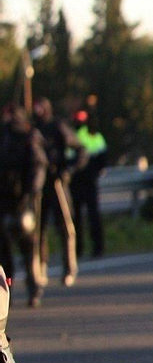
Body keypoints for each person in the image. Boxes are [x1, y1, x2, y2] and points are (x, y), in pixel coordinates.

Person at [32, 98, 84, 287]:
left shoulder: (58, 127)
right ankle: (40, 267)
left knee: (65, 226)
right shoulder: (32, 129)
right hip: (38, 183)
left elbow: (80, 149)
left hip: (56, 182)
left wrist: (68, 171)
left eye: (40, 108)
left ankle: (69, 268)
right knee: (38, 228)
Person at [0, 107, 47, 307]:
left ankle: (33, 287)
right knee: (4, 254)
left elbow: (38, 166)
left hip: (23, 201)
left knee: (28, 247)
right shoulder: (4, 138)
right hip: (4, 201)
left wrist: (30, 193)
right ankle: (5, 292)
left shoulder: (29, 138)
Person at [70, 109, 108, 259]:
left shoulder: (73, 136)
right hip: (87, 182)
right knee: (90, 216)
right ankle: (96, 248)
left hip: (78, 182)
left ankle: (79, 249)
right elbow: (103, 158)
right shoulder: (94, 136)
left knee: (79, 217)